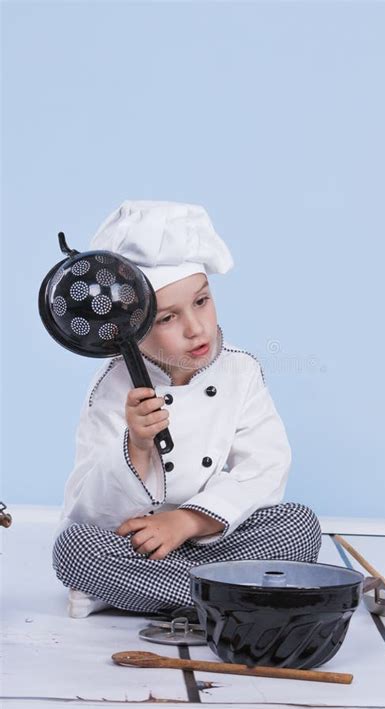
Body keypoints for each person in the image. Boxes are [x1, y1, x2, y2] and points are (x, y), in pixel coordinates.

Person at [52, 200, 322, 618]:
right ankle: (231, 593)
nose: (195, 329)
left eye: (201, 302)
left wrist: (187, 522)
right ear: (128, 329)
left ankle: (156, 592)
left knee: (299, 525)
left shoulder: (240, 371)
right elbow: (87, 509)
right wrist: (137, 446)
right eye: (166, 318)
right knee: (75, 550)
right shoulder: (111, 389)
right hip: (138, 544)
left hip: (214, 532)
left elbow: (265, 467)